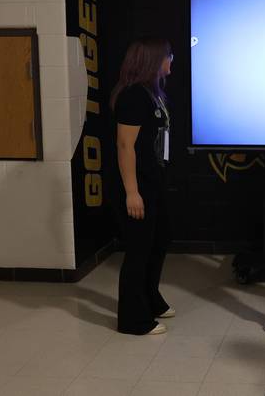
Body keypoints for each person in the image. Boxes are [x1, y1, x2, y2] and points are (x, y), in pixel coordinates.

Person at [111, 37, 175, 336]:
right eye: (168, 56)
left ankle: (151, 299)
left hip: (155, 180)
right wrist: (132, 192)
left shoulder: (153, 94)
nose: (171, 61)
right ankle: (132, 319)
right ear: (152, 61)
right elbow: (125, 146)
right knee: (138, 251)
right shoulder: (133, 96)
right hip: (138, 185)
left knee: (157, 243)